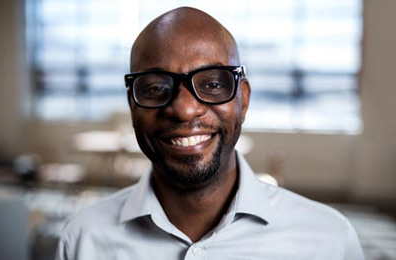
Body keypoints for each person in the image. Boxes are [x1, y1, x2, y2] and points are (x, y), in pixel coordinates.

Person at [56, 7, 365, 260]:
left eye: (213, 84)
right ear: (132, 103)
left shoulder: (328, 242)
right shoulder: (83, 241)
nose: (184, 109)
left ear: (243, 100)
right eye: (155, 88)